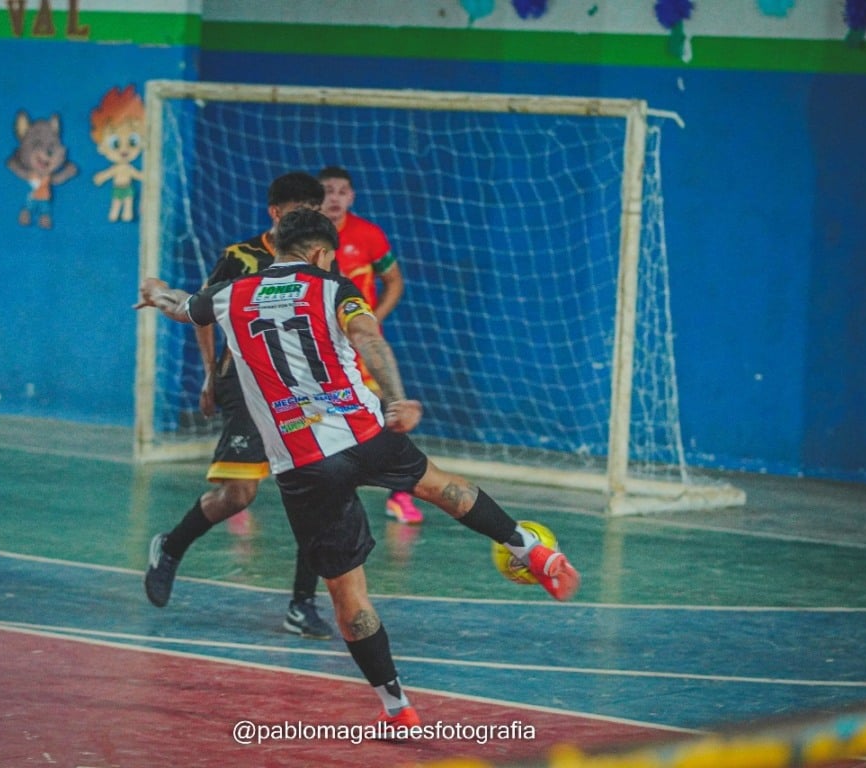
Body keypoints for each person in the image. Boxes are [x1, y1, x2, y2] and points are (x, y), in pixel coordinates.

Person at [135, 207, 580, 729]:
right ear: (322, 252)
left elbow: (181, 307)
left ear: (276, 246)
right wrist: (396, 398)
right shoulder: (333, 287)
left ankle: (397, 706)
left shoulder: (232, 293)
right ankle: (528, 548)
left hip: (301, 461)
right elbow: (369, 338)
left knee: (349, 596)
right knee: (445, 488)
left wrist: (156, 291)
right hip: (362, 430)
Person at [143, 172, 334, 641]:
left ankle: (302, 604)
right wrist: (210, 372)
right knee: (239, 496)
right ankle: (170, 545)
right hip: (247, 385)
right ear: (275, 213)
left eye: (315, 210)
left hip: (302, 392)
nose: (309, 218)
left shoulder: (321, 259)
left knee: (320, 496)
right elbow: (202, 311)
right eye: (299, 210)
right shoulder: (240, 258)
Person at [317, 165, 421, 525]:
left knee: (389, 412)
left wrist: (372, 319)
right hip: (316, 350)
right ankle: (244, 482)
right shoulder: (305, 238)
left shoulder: (369, 235)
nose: (335, 197)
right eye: (328, 190)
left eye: (342, 190)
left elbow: (394, 281)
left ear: (352, 197)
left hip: (359, 348)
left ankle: (400, 494)